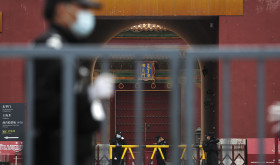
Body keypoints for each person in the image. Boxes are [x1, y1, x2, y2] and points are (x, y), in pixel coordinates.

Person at [32, 0, 115, 165]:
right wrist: (89, 96)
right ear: (62, 9)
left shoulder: (69, 47)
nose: (87, 15)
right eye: (82, 8)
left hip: (76, 150)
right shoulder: (50, 47)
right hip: (55, 152)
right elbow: (45, 105)